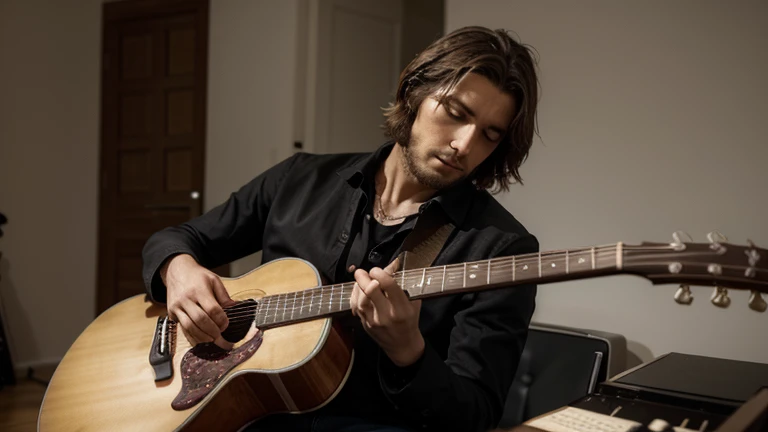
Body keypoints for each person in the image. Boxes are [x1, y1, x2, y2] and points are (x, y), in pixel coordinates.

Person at [142, 25, 540, 432]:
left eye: (490, 135)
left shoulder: (503, 249)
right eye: (456, 113)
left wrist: (409, 352)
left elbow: (475, 415)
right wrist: (178, 269)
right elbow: (177, 239)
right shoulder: (299, 179)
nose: (465, 145)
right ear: (414, 95)